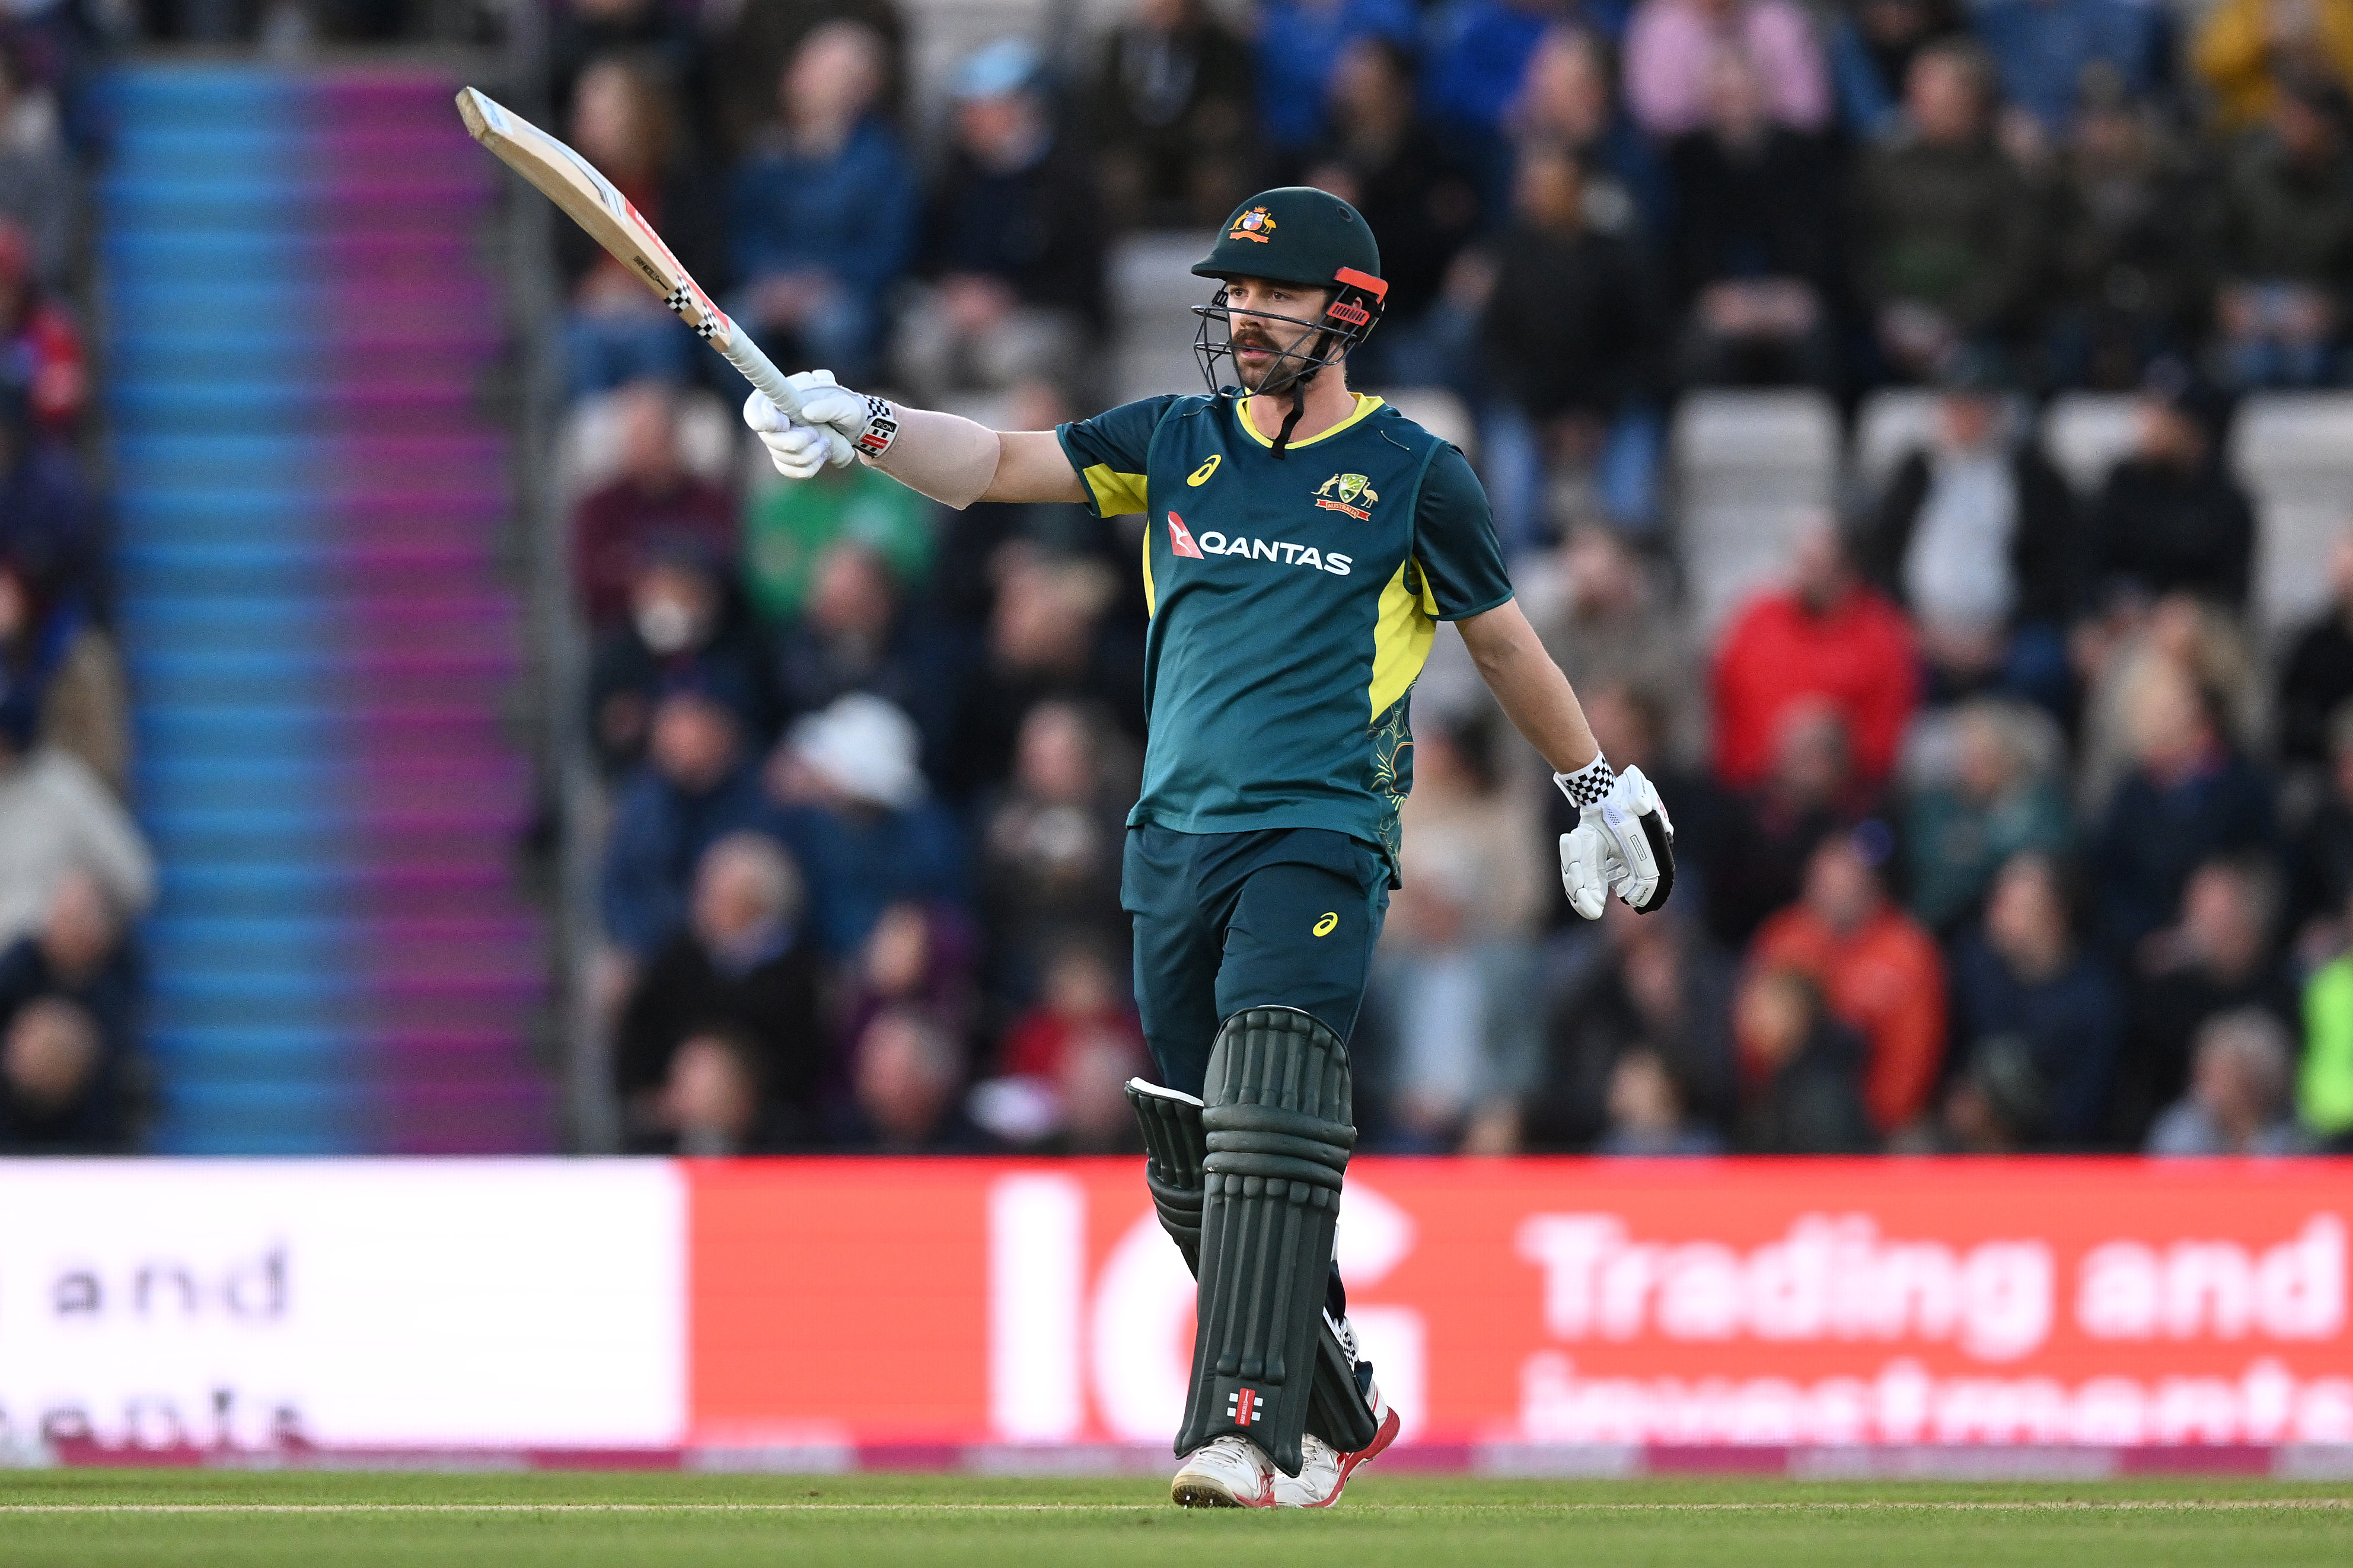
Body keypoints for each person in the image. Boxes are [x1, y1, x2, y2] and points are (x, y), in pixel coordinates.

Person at [735, 184, 1676, 1506]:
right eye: (1233, 295)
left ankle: (1237, 1423)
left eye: (1275, 297)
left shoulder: (1413, 472)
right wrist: (866, 424)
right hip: (1171, 835)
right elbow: (1003, 461)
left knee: (1266, 1096)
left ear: (1346, 312)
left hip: (1322, 825)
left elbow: (1504, 640)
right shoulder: (1176, 438)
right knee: (1192, 1146)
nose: (1243, 318)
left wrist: (1594, 784)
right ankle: (1332, 1393)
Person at [1856, 356, 2080, 707]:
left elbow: (2058, 566)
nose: (1967, 417)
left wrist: (2005, 630)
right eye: (1957, 405)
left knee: (2042, 668)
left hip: (2011, 630)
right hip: (1922, 629)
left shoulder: (2035, 476)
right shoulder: (1914, 472)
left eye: (1979, 405)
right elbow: (1881, 558)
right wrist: (1919, 628)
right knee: (1878, 660)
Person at [901, 40, 1107, 400]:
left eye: (981, 107)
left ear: (1021, 108)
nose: (968, 119)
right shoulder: (956, 176)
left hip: (1042, 313)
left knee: (1011, 357)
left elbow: (1083, 278)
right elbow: (926, 252)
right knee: (920, 347)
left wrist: (1009, 297)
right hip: (961, 307)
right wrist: (956, 290)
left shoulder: (1068, 180)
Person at [729, 21, 917, 387]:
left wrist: (824, 283)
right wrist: (770, 280)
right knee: (731, 327)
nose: (804, 77)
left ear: (861, 87)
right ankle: (755, 427)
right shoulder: (769, 152)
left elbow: (891, 247)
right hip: (773, 286)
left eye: (823, 70)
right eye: (805, 64)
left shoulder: (883, 159)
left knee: (834, 327)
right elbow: (745, 229)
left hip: (848, 293)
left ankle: (839, 426)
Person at [613, 832, 827, 1152]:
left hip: (765, 1120)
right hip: (678, 1115)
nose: (704, 905)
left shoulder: (795, 971)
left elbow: (801, 1062)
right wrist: (665, 1094)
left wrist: (734, 1086)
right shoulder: (680, 957)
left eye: (719, 896)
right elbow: (641, 1035)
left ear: (755, 905)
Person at [1854, 40, 2042, 379]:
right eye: (1919, 93)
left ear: (1971, 101)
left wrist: (1954, 321)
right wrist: (1892, 314)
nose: (1923, 105)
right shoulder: (1882, 165)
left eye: (1938, 95)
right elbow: (1860, 247)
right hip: (1891, 320)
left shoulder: (2003, 173)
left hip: (1978, 325)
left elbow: (2015, 263)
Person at [1663, 49, 1842, 389]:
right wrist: (1717, 297)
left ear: (1766, 95)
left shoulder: (1803, 154)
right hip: (1717, 299)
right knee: (1698, 347)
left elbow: (1821, 241)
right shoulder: (1687, 158)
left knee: (1818, 342)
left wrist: (1792, 295)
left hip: (1790, 295)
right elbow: (1685, 247)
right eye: (1724, 96)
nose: (1735, 106)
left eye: (1743, 93)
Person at [1710, 520, 1917, 795]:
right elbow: (1726, 707)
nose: (1805, 576)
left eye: (1818, 566)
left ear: (1847, 569)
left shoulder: (1881, 635)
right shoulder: (1756, 621)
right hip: (1755, 798)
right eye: (1802, 564)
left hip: (1846, 799)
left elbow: (1885, 735)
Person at [1944, 851, 2121, 1147]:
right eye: (1998, 899)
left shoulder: (2095, 999)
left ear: (2055, 913)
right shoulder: (1974, 967)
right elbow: (1953, 1062)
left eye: (2013, 904)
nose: (1996, 911)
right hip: (1971, 1140)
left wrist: (2007, 1124)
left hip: (2055, 1155)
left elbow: (2086, 1108)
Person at [2214, 71, 2353, 388]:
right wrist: (2227, 296)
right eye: (2287, 116)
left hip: (2324, 314)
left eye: (2302, 118)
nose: (2289, 128)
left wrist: (2334, 311)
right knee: (2249, 362)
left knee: (2309, 361)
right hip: (2256, 304)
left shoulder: (2346, 187)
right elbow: (2214, 246)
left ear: (2329, 126)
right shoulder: (2249, 175)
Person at [569, 381, 739, 633]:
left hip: (711, 628)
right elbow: (589, 581)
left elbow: (731, 564)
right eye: (638, 438)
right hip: (625, 631)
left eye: (657, 438)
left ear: (675, 438)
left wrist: (689, 587)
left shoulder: (712, 499)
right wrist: (645, 587)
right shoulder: (598, 507)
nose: (648, 449)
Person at [2086, 363, 2256, 611]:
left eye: (2162, 414)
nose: (2147, 423)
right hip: (2124, 624)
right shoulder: (2123, 483)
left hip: (2195, 631)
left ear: (2193, 430)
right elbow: (2090, 567)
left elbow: (2230, 599)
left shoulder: (2227, 505)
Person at [1089, 0, 1260, 231]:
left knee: (1217, 182)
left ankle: (1214, 254)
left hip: (1197, 149)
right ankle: (1121, 256)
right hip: (1134, 146)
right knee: (1119, 179)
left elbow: (1227, 110)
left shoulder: (1220, 47)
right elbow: (1103, 107)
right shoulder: (1119, 46)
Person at [1621, 0, 1831, 140]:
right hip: (1690, 161)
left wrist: (1752, 103)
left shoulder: (1778, 19)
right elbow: (1655, 116)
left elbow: (1810, 111)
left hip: (1777, 151)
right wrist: (1716, 105)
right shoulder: (1660, 25)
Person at [2145, 1008, 2309, 1154]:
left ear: (2255, 1079)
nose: (2202, 1080)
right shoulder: (2181, 1130)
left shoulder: (2295, 1139)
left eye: (2220, 1072)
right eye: (2203, 1069)